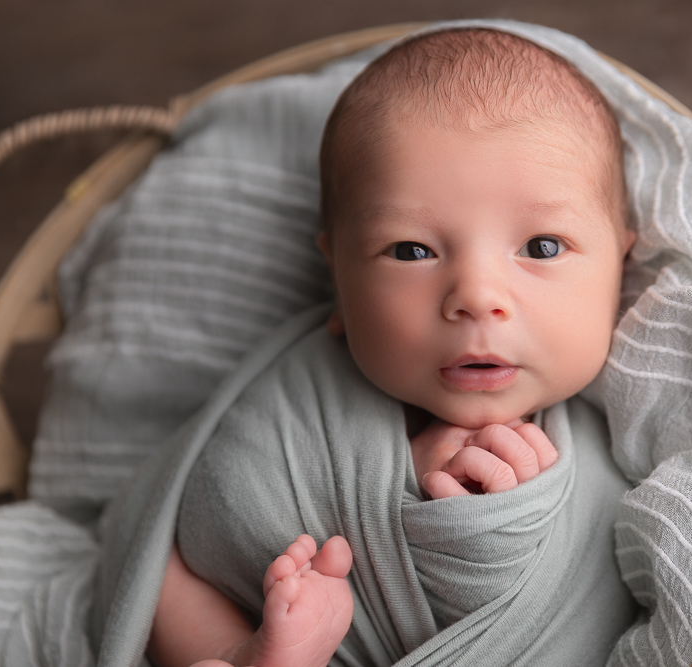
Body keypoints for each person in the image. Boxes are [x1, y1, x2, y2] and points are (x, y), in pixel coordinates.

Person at [146, 27, 635, 667]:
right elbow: (198, 526)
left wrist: (490, 528)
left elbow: (608, 613)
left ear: (619, 269)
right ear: (339, 282)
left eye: (541, 247)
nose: (477, 296)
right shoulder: (295, 407)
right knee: (160, 575)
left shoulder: (627, 449)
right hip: (268, 627)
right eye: (411, 251)